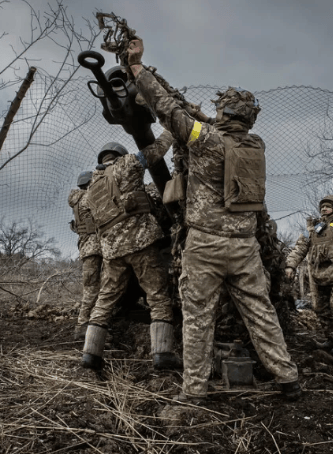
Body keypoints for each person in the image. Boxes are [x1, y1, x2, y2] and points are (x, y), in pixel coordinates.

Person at [127, 39, 301, 401]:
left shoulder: (204, 140)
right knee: (260, 312)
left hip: (205, 245)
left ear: (223, 115)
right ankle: (288, 379)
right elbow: (216, 129)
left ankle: (194, 391)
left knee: (197, 318)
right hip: (245, 246)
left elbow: (166, 110)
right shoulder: (256, 145)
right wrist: (207, 117)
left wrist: (138, 68)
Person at [81, 135, 182, 371]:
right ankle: (163, 354)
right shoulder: (126, 164)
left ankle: (90, 355)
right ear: (119, 155)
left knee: (105, 300)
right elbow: (155, 151)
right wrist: (171, 128)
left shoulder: (92, 186)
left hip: (111, 252)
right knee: (157, 296)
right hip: (140, 243)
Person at [285, 195, 333, 355]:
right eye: (322, 207)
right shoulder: (313, 229)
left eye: (328, 206)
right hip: (318, 277)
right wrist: (291, 265)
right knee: (320, 309)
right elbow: (300, 248)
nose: (324, 209)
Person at [68, 171, 102, 342]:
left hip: (86, 248)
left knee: (92, 287)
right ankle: (83, 327)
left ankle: (86, 325)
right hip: (95, 248)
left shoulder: (77, 200)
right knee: (93, 289)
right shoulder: (89, 197)